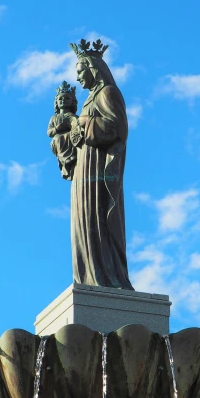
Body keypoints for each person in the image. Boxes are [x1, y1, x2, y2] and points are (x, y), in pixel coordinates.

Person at [66, 39, 134, 290]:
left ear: (93, 69)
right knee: (83, 224)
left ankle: (105, 275)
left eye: (80, 72)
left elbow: (118, 128)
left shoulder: (108, 93)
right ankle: (87, 276)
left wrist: (83, 123)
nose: (78, 78)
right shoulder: (87, 100)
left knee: (97, 219)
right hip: (83, 170)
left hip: (98, 170)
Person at [47, 81, 79, 180]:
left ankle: (71, 157)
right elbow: (49, 132)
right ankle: (65, 159)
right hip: (58, 139)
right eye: (60, 98)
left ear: (72, 102)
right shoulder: (54, 118)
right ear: (56, 102)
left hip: (71, 137)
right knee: (57, 139)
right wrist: (57, 128)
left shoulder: (74, 117)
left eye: (67, 98)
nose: (63, 100)